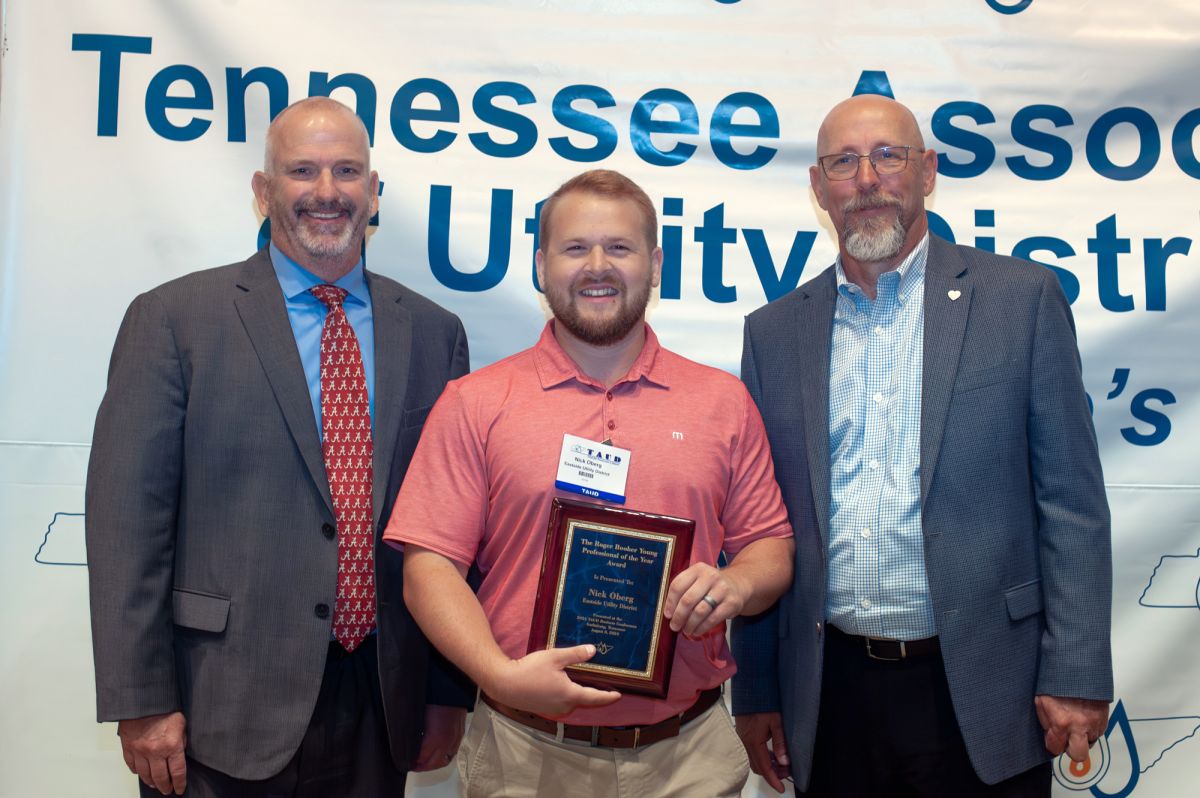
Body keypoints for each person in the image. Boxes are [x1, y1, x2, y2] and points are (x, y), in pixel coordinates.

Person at [86, 96, 472, 797]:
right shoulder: (174, 320)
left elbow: (450, 531)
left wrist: (447, 693)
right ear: (264, 193)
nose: (327, 191)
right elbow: (126, 525)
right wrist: (140, 699)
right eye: (303, 170)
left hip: (380, 701)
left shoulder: (434, 333)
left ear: (374, 192)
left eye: (347, 171)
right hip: (219, 705)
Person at [731, 94, 1113, 796]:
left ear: (928, 171)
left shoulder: (1021, 299)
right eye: (843, 161)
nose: (867, 178)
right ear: (818, 187)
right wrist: (756, 689)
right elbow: (760, 526)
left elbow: (1072, 505)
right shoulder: (774, 333)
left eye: (888, 155)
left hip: (988, 686)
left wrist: (1078, 672)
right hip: (829, 691)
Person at [384, 169, 795, 797]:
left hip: (687, 760)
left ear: (656, 264)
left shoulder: (722, 402)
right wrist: (498, 675)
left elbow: (771, 548)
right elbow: (429, 567)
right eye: (576, 248)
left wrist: (735, 583)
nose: (597, 266)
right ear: (542, 264)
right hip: (524, 757)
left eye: (621, 248)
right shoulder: (476, 402)